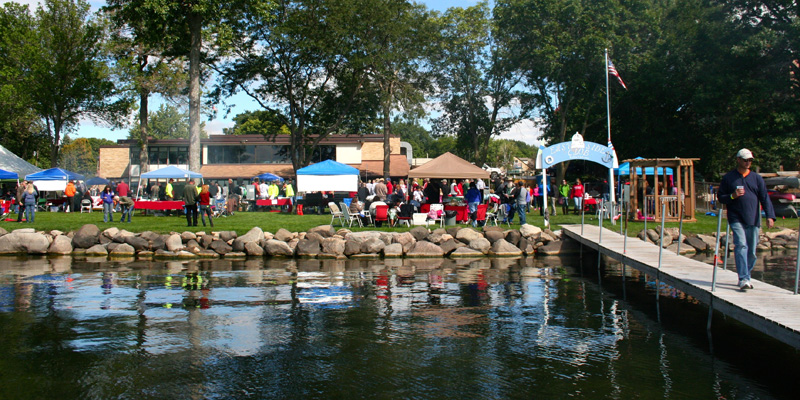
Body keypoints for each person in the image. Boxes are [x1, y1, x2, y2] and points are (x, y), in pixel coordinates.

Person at [718, 148, 775, 290]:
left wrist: (770, 216)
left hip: (753, 219)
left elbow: (764, 198)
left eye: (750, 160)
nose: (748, 162)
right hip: (736, 218)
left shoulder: (757, 178)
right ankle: (743, 278)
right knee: (741, 245)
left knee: (752, 251)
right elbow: (721, 197)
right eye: (745, 160)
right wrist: (733, 196)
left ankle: (746, 275)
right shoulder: (729, 178)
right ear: (738, 160)